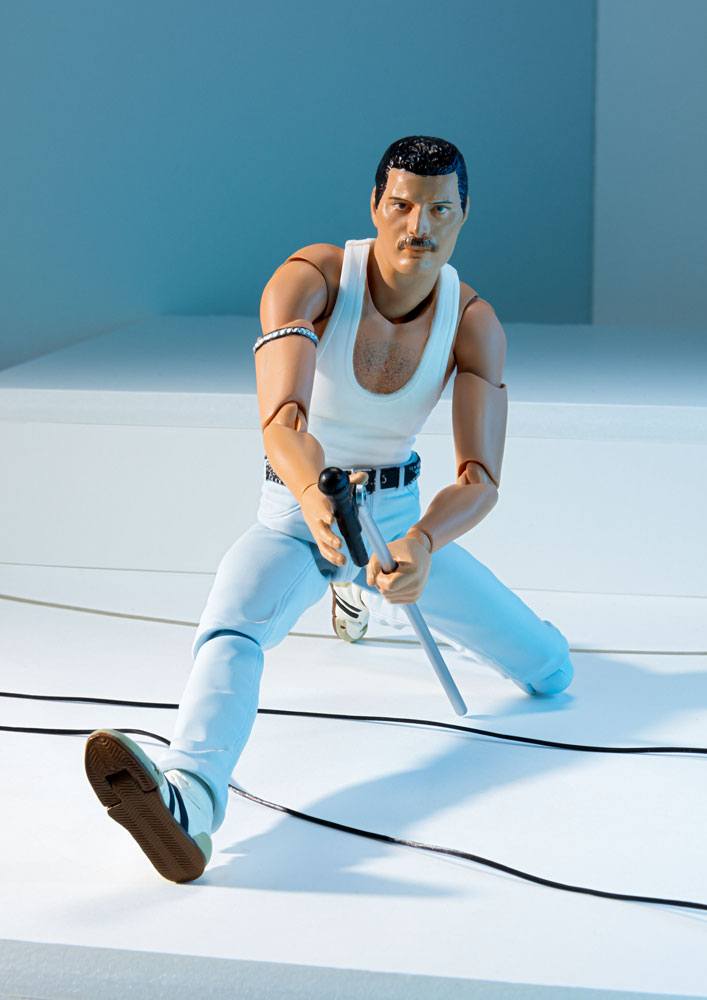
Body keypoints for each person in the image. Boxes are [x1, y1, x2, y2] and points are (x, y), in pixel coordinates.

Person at [84, 135, 574, 883]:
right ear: (375, 205)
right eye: (402, 205)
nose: (419, 226)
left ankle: (363, 598)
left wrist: (423, 543)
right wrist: (315, 495)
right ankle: (190, 802)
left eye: (439, 210)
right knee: (233, 623)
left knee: (550, 670)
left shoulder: (473, 322)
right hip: (297, 511)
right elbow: (283, 420)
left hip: (399, 521)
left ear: (463, 215)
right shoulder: (311, 278)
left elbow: (479, 477)